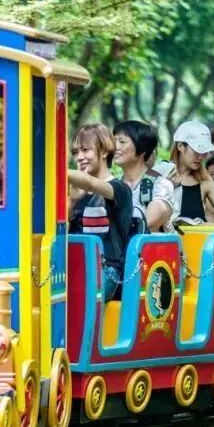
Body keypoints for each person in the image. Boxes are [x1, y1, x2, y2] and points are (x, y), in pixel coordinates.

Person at [68, 124, 132, 301]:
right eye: (75, 152)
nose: (79, 157)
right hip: (74, 266)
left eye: (85, 150)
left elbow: (90, 183)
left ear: (104, 151)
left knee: (80, 299)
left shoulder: (119, 189)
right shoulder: (75, 193)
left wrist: (54, 170)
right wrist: (72, 200)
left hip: (108, 270)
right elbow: (59, 231)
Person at [164, 121, 214, 227]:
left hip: (198, 237)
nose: (201, 157)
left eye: (204, 151)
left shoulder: (205, 180)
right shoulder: (161, 174)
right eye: (196, 151)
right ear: (180, 146)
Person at [113, 120, 173, 232]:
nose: (115, 147)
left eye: (122, 141)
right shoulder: (114, 184)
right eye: (113, 141)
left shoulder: (158, 184)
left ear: (142, 149)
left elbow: (147, 223)